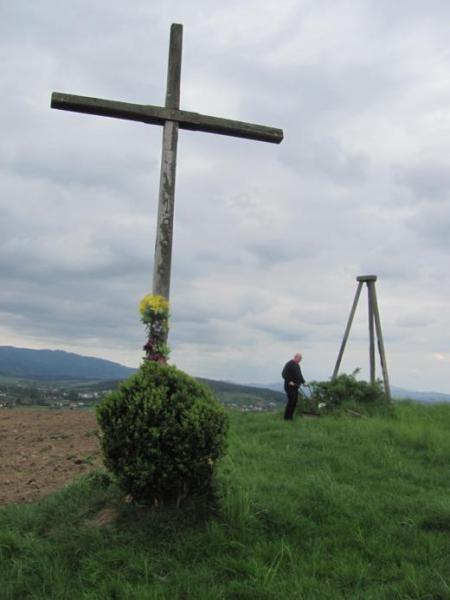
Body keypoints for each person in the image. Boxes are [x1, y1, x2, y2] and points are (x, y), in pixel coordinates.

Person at [282, 353, 305, 420]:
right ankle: (286, 418)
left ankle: (290, 417)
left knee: (294, 402)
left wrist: (304, 382)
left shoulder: (297, 365)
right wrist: (289, 381)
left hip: (296, 386)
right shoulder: (289, 364)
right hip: (289, 387)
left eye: (301, 359)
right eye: (299, 359)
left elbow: (300, 375)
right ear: (295, 357)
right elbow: (283, 374)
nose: (300, 360)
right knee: (291, 401)